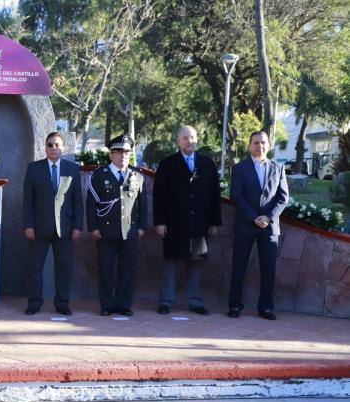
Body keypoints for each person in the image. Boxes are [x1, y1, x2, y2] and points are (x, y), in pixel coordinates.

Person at [153, 126, 222, 315]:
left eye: (192, 137)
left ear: (197, 139)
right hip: (174, 222)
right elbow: (159, 196)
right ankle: (166, 301)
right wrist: (160, 221)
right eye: (185, 138)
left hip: (199, 222)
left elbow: (215, 194)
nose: (189, 141)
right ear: (178, 141)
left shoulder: (207, 164)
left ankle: (195, 301)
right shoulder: (167, 163)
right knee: (170, 262)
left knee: (196, 262)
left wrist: (215, 221)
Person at [228, 131, 289, 320]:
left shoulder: (278, 168)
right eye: (256, 142)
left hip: (269, 226)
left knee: (268, 268)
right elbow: (236, 196)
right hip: (246, 224)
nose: (259, 146)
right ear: (249, 146)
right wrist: (254, 217)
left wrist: (268, 217)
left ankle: (266, 307)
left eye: (263, 142)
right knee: (239, 266)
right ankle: (235, 305)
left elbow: (283, 197)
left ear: (269, 145)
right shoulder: (239, 168)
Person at [22, 132, 83, 315]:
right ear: (45, 147)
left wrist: (77, 226)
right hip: (39, 228)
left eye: (57, 145)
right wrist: (28, 225)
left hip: (65, 228)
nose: (54, 148)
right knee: (35, 268)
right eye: (50, 145)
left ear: (63, 148)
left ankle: (62, 303)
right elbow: (28, 201)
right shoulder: (34, 169)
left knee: (64, 267)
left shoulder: (72, 169)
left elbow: (77, 200)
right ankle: (34, 302)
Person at [87, 134, 147, 316]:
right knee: (105, 269)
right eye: (119, 152)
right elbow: (91, 204)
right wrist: (94, 227)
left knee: (127, 269)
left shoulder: (137, 176)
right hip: (106, 230)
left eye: (127, 152)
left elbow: (142, 204)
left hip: (129, 230)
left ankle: (123, 305)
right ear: (111, 155)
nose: (123, 156)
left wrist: (142, 226)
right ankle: (106, 305)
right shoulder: (99, 175)